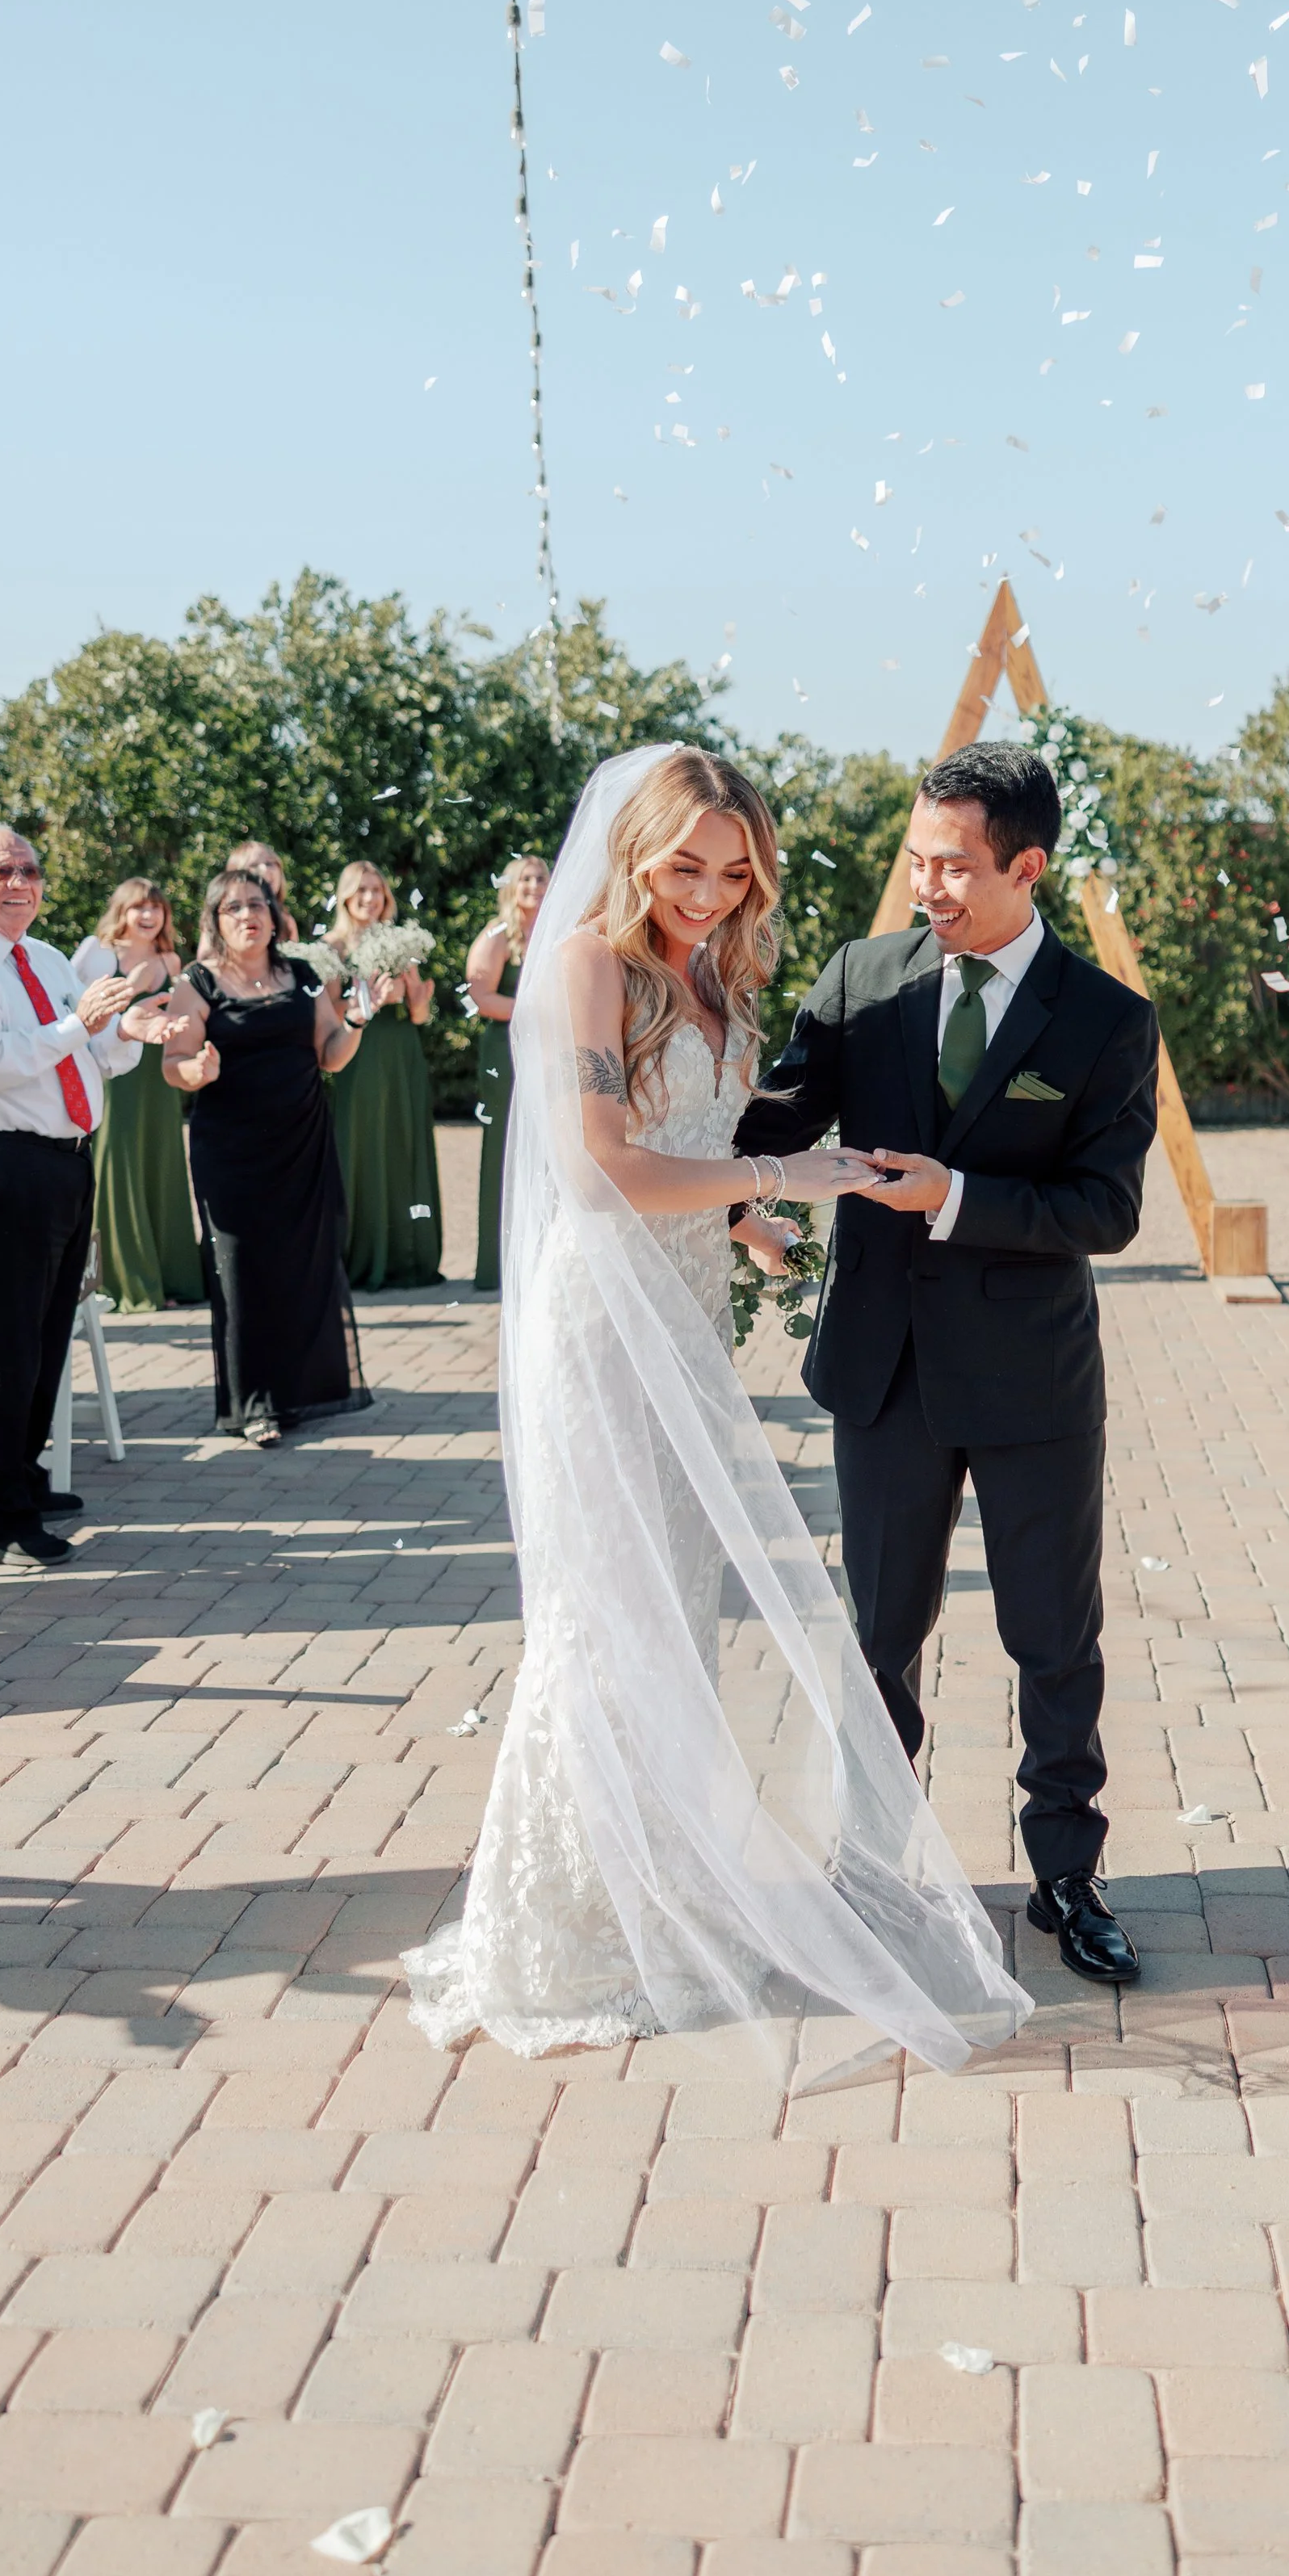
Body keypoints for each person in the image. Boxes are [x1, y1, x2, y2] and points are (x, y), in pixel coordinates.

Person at [402, 745, 1031, 2071]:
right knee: (604, 1611)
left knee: (675, 1614)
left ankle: (667, 1884)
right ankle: (566, 1920)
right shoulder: (587, 968)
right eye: (684, 865)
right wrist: (793, 1171)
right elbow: (602, 1169)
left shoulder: (715, 974)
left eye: (733, 871)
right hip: (603, 1323)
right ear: (633, 851)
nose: (706, 891)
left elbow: (693, 1153)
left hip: (688, 1313)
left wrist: (752, 1221)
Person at [734, 742, 1161, 1989]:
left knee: (1052, 1636)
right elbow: (775, 1118)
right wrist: (664, 1084)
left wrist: (959, 1194)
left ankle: (1067, 1875)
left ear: (1026, 866)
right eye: (917, 855)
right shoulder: (862, 979)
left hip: (1032, 1381)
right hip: (885, 1368)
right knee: (880, 1633)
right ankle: (873, 1865)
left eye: (954, 864)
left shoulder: (1105, 1020)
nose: (928, 881)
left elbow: (1105, 1208)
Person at [0, 826, 173, 1567]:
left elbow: (90, 1056)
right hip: (5, 1163)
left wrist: (130, 1030)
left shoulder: (50, 958)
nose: (20, 882)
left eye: (30, 869)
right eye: (2, 870)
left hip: (67, 1160)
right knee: (5, 1340)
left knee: (49, 1332)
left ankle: (20, 1474)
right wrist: (78, 1023)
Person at [158, 871, 371, 1448]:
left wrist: (355, 1019)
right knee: (240, 1271)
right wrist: (194, 1071)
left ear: (276, 917)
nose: (248, 915)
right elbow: (173, 1061)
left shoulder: (303, 976)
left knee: (300, 1263)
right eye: (233, 908)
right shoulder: (197, 983)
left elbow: (330, 1055)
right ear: (216, 921)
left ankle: (296, 1392)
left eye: (258, 905)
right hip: (231, 1151)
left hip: (302, 1142)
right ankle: (253, 1405)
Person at [71, 880, 204, 1315]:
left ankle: (169, 1276)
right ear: (122, 911)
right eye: (139, 908)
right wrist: (131, 982)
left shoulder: (170, 959)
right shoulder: (96, 951)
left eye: (156, 908)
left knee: (160, 1163)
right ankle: (125, 1282)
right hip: (113, 1073)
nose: (149, 916)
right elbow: (73, 1008)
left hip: (156, 1074)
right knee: (118, 1162)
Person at [325, 861, 443, 1290]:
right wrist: (367, 1001)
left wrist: (413, 994)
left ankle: (405, 1255)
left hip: (399, 1051)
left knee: (402, 1141)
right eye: (362, 891)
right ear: (346, 897)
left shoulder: (398, 942)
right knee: (360, 1144)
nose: (370, 899)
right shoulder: (333, 947)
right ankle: (359, 1255)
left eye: (377, 891)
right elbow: (326, 1012)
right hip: (358, 1052)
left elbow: (419, 1015)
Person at [466, 854, 551, 1293]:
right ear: (512, 887)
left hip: (551, 1051)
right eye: (526, 879)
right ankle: (498, 1261)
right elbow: (480, 995)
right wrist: (537, 1013)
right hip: (508, 1051)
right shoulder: (499, 935)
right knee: (505, 1143)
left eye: (541, 877)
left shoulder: (560, 931)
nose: (534, 885)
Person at [224, 841, 300, 942]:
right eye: (254, 865)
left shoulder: (286, 921)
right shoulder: (226, 917)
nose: (264, 869)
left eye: (269, 864)